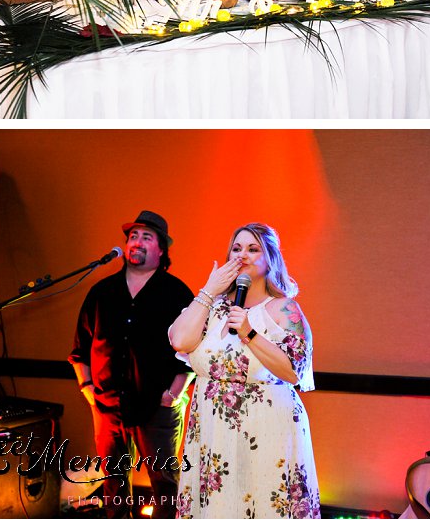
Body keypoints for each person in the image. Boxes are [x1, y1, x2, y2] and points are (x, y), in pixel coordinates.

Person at [168, 223, 319, 518]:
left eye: (253, 249)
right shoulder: (212, 308)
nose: (242, 255)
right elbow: (180, 340)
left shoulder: (285, 310)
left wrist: (249, 333)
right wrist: (209, 291)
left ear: (270, 258)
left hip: (267, 428)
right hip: (213, 430)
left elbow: (294, 373)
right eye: (236, 249)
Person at [68, 210, 195, 518]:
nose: (136, 242)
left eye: (146, 237)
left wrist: (174, 393)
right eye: (133, 236)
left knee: (164, 483)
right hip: (107, 405)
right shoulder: (102, 292)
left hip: (158, 406)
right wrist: (87, 388)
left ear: (161, 249)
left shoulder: (176, 292)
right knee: (113, 483)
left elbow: (193, 351)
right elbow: (80, 348)